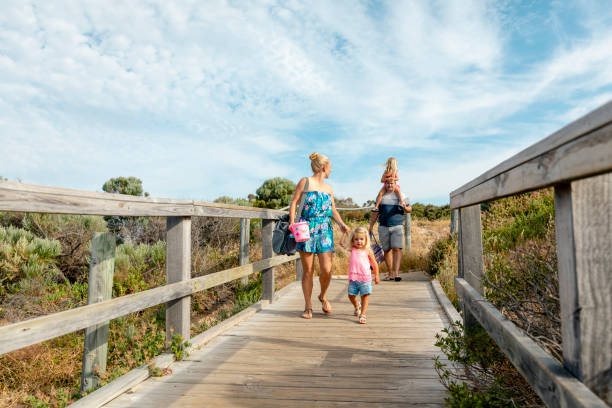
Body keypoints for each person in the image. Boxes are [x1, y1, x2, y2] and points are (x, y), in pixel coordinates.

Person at [289, 152, 350, 319]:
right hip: (305, 229)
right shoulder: (305, 181)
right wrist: (292, 222)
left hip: (324, 230)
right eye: (330, 167)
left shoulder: (329, 188)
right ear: (324, 167)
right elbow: (294, 202)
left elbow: (333, 210)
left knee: (326, 269)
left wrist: (342, 225)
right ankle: (308, 307)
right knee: (308, 270)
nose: (331, 170)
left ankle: (323, 295)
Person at [368, 179, 411, 281]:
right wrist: (371, 226)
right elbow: (375, 212)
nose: (390, 185)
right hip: (383, 226)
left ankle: (396, 274)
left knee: (397, 249)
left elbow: (410, 209)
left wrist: (405, 207)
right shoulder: (380, 196)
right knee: (386, 250)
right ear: (385, 184)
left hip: (397, 226)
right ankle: (390, 273)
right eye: (387, 183)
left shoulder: (402, 196)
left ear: (395, 184)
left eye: (392, 183)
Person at [345, 226, 379, 324]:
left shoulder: (368, 250)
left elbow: (374, 263)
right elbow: (342, 244)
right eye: (356, 239)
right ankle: (356, 305)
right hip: (354, 278)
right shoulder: (353, 249)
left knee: (365, 296)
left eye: (361, 239)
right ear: (353, 240)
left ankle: (363, 314)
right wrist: (344, 233)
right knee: (351, 295)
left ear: (366, 240)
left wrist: (376, 276)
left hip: (365, 278)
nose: (359, 241)